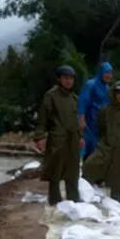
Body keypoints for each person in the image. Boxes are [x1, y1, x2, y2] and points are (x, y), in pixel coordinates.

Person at [83, 80, 120, 203]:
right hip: (106, 147)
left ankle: (117, 210)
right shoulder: (105, 111)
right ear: (114, 94)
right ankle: (89, 200)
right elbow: (101, 128)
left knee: (119, 184)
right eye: (119, 93)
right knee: (89, 167)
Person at [35, 65, 81, 205]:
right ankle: (55, 201)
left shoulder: (74, 98)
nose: (68, 81)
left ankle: (73, 201)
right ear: (59, 79)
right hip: (57, 138)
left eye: (71, 78)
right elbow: (43, 118)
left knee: (73, 171)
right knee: (55, 171)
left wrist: (81, 136)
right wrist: (40, 137)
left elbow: (78, 119)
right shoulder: (51, 96)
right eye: (65, 78)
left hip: (72, 139)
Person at [77, 61, 113, 158]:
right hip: (88, 123)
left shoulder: (107, 88)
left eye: (110, 73)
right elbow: (82, 102)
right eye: (107, 73)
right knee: (88, 152)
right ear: (101, 72)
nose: (109, 75)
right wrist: (81, 119)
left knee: (98, 153)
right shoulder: (90, 84)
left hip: (100, 125)